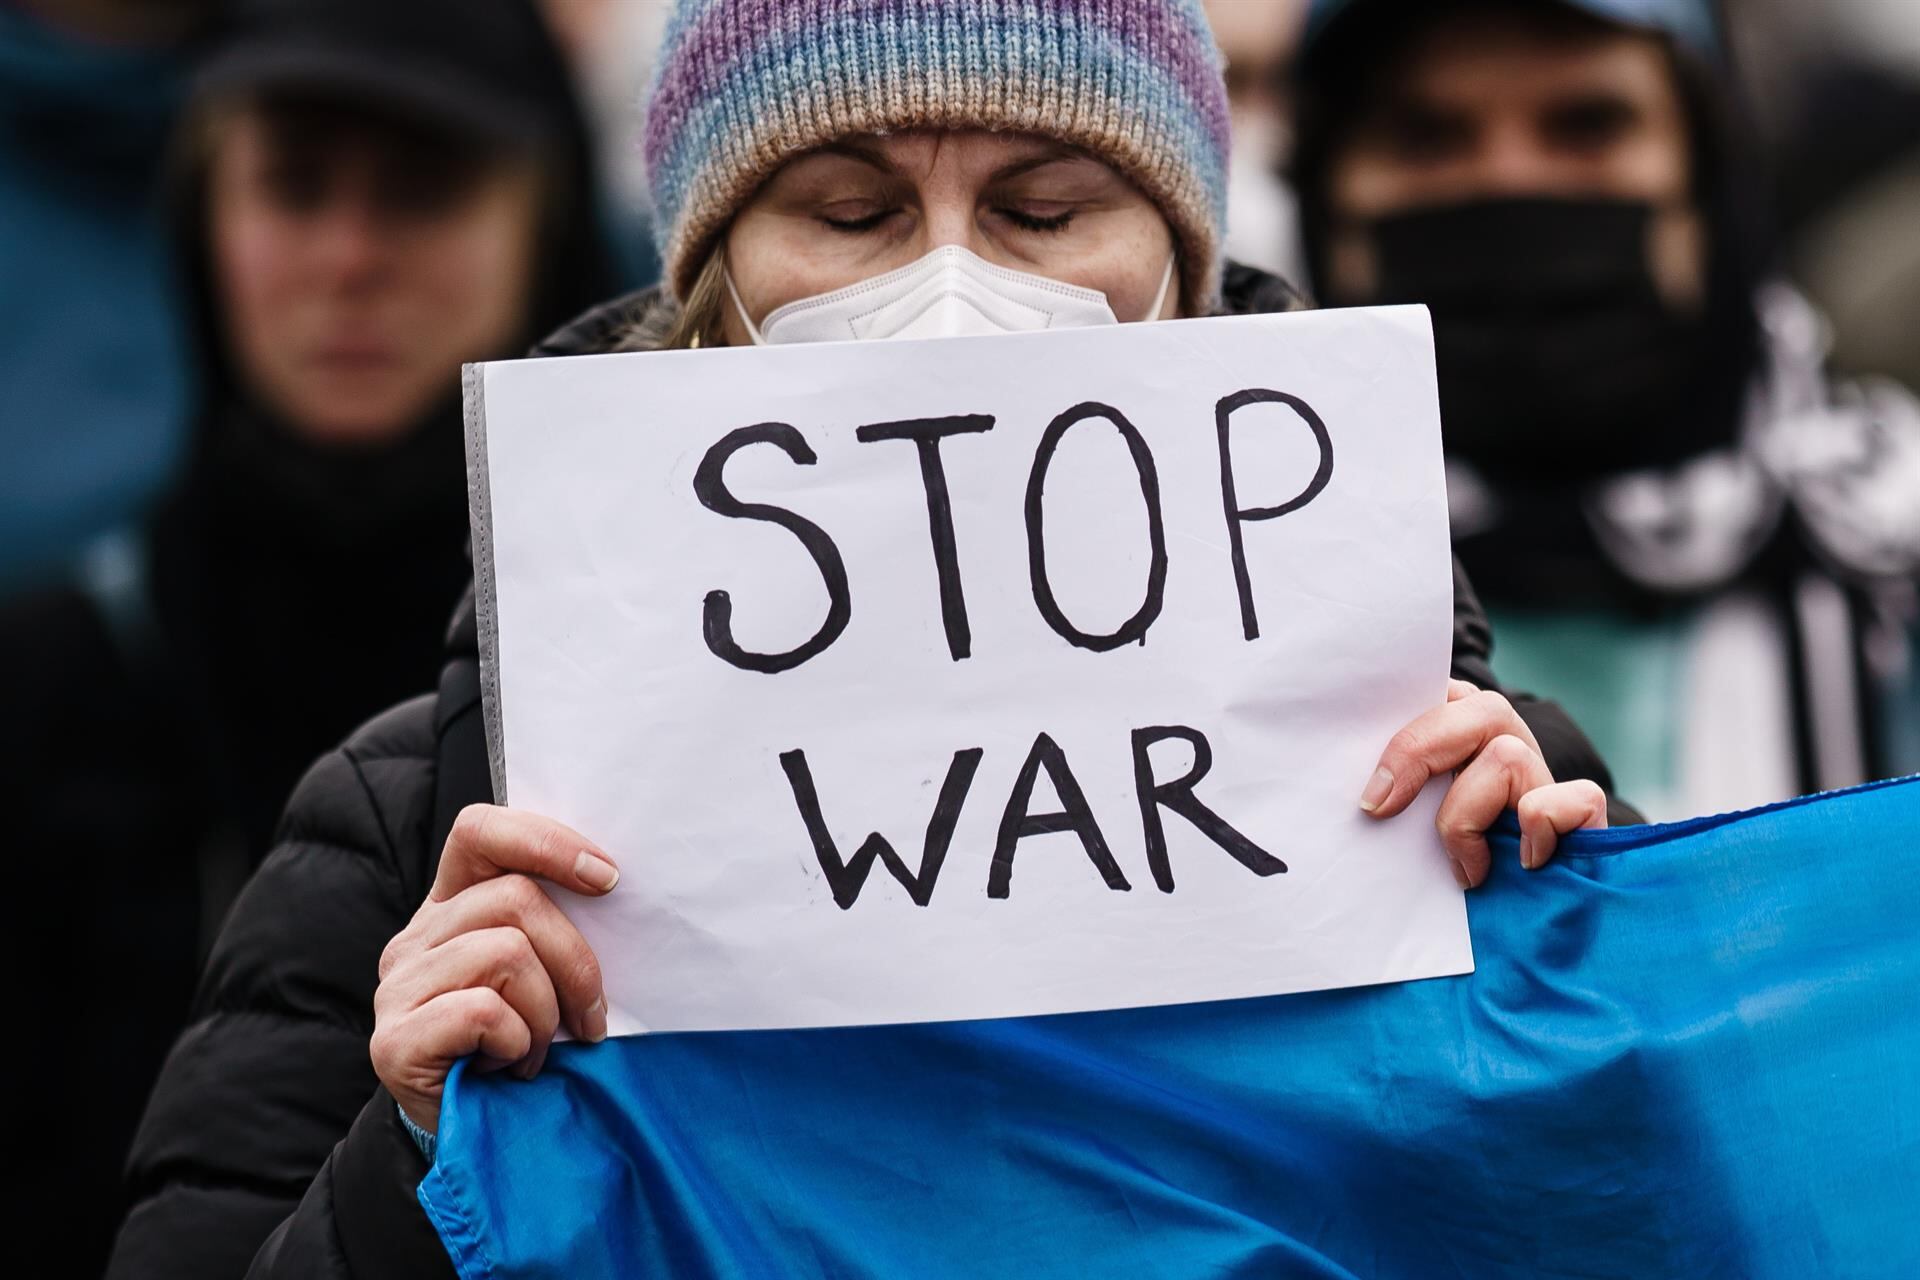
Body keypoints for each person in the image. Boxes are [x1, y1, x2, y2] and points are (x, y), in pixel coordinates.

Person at [110, 2, 1622, 1275]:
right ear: (707, 295)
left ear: (1188, 286)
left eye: (1045, 212)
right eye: (848, 215)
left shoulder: (1463, 791)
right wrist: (423, 1161)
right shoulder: (409, 833)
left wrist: (1561, 974)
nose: (949, 291)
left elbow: (1670, 1220)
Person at [0, 0, 612, 1271]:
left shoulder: (637, 678)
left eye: (422, 189)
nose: (347, 257)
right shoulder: (58, 677)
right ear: (202, 220)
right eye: (293, 185)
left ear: (539, 227)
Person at [1290, 0, 1920, 818]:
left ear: (1707, 177)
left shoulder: (1892, 548)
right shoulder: (1239, 597)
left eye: (1587, 124)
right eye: (1426, 137)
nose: (1510, 182)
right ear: (1325, 200)